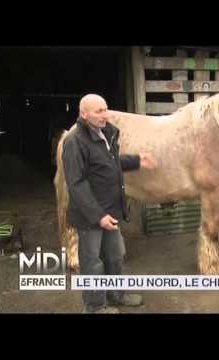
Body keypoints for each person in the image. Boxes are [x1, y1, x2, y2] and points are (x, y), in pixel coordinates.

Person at [62, 94, 157, 313]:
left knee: (114, 256)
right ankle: (95, 306)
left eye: (105, 109)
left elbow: (109, 164)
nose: (105, 114)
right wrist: (98, 216)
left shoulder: (105, 133)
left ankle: (116, 295)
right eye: (98, 111)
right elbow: (76, 184)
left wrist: (137, 160)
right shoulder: (74, 142)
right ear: (83, 113)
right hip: (91, 217)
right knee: (93, 263)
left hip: (110, 211)